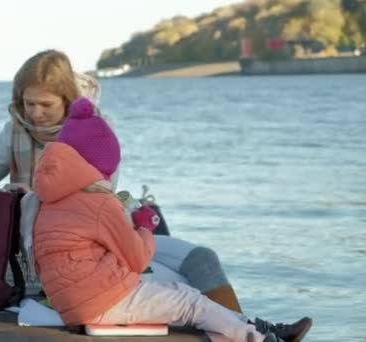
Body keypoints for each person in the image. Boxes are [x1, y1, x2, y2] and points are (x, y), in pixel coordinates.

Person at [0, 49, 310, 340]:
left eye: (45, 105)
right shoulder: (14, 132)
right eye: (28, 103)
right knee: (176, 284)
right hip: (56, 257)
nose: (35, 113)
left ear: (67, 101)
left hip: (100, 240)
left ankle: (255, 326)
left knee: (201, 258)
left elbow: (99, 203)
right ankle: (252, 333)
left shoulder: (90, 133)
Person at [32, 97, 312, 342]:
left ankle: (255, 328)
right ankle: (261, 338)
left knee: (175, 292)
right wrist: (143, 225)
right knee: (190, 301)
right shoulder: (100, 204)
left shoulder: (51, 198)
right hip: (100, 301)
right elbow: (139, 258)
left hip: (71, 303)